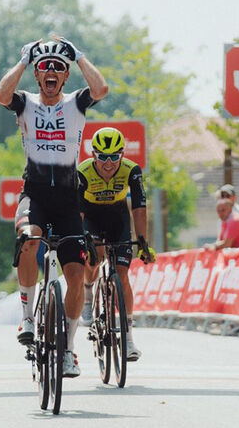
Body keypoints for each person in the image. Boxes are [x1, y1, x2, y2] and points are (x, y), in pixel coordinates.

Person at [0, 37, 107, 378]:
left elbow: (100, 89)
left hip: (69, 200)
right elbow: (1, 95)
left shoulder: (75, 103)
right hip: (36, 194)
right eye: (46, 67)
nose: (52, 72)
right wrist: (25, 59)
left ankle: (69, 349)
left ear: (67, 76)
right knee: (28, 239)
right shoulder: (25, 103)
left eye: (59, 67)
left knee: (75, 274)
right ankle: (27, 316)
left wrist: (80, 55)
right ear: (38, 75)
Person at [76, 127, 155, 361]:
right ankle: (88, 292)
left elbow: (140, 209)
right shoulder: (82, 172)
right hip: (90, 217)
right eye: (103, 157)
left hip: (118, 218)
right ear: (93, 156)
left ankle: (129, 340)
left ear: (122, 154)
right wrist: (83, 240)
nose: (108, 163)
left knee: (122, 275)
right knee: (95, 259)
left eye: (114, 157)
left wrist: (143, 242)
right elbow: (77, 214)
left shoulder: (132, 171)